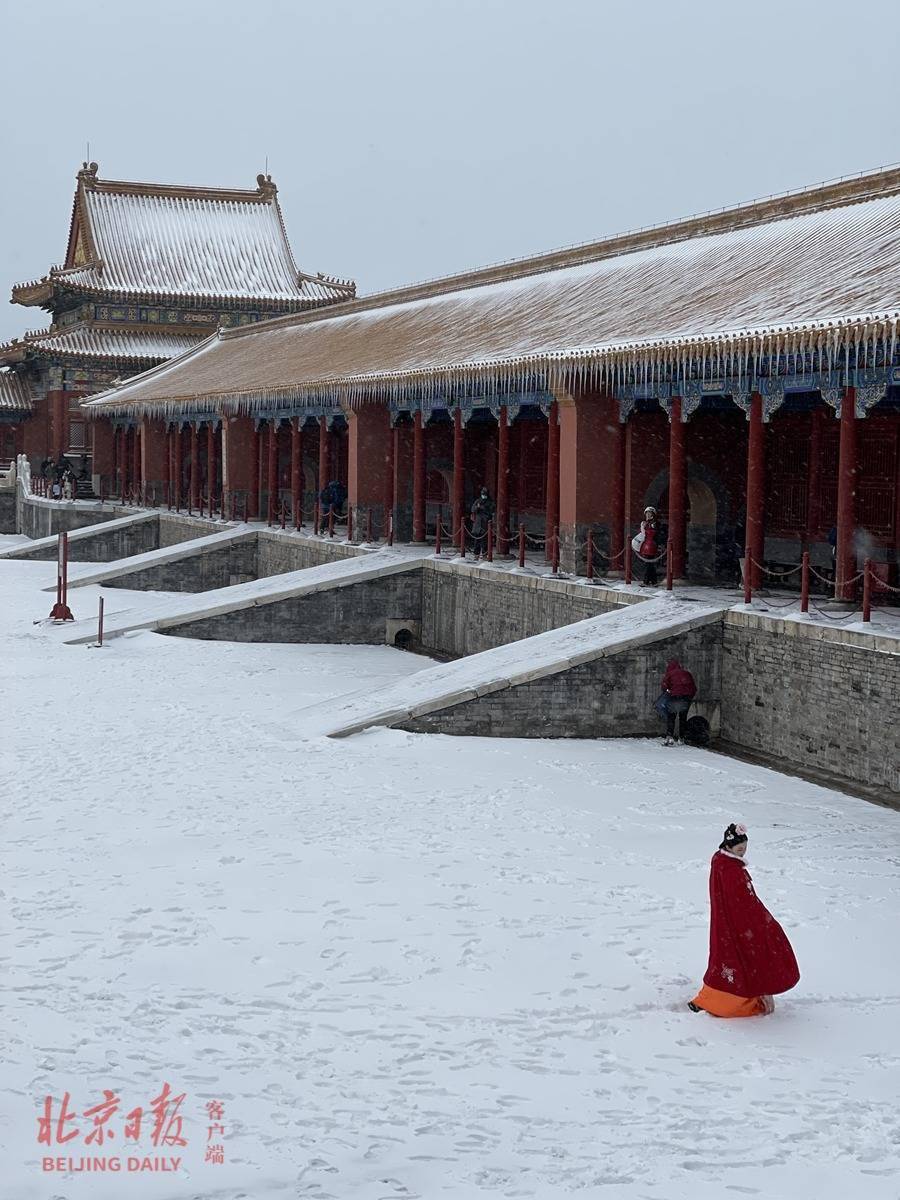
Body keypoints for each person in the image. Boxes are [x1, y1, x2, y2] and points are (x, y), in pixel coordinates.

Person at [689, 823, 799, 1018]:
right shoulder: (731, 870)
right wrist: (760, 920)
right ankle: (731, 1003)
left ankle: (709, 999)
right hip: (736, 923)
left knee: (723, 958)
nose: (743, 853)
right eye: (740, 850)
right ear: (729, 847)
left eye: (745, 849)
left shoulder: (721, 861)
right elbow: (742, 901)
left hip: (726, 922)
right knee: (740, 960)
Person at [660, 657, 696, 745]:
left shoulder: (670, 674)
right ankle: (681, 738)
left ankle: (670, 737)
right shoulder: (687, 673)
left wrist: (669, 691)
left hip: (676, 696)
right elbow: (694, 687)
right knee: (683, 718)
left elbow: (664, 686)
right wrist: (689, 697)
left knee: (672, 717)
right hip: (687, 697)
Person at [634, 506, 661, 586]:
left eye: (649, 513)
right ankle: (653, 581)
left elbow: (655, 534)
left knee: (649, 564)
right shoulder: (645, 523)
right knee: (649, 564)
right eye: (647, 513)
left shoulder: (655, 524)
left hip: (651, 545)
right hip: (646, 545)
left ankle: (647, 581)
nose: (648, 515)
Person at [469, 486, 495, 559]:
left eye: (484, 494)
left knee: (484, 541)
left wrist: (482, 508)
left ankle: (484, 554)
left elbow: (491, 511)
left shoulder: (490, 502)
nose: (483, 495)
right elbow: (472, 509)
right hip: (478, 523)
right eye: (482, 493)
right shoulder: (478, 500)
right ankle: (476, 554)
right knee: (476, 540)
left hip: (485, 523)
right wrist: (477, 507)